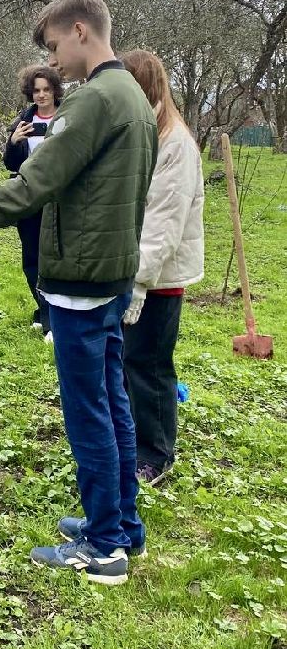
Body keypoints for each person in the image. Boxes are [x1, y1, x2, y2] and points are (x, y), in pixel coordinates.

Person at [0, 0, 158, 586]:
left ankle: (104, 549)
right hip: (114, 275)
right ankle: (122, 523)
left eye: (54, 48)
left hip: (80, 285)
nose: (54, 64)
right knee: (114, 402)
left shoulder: (93, 101)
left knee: (88, 412)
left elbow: (32, 186)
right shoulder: (135, 99)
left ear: (80, 31)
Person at [120, 50, 204, 486]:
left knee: (149, 365)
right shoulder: (144, 133)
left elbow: (163, 224)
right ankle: (135, 440)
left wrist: (138, 282)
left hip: (158, 278)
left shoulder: (175, 144)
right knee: (129, 361)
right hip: (134, 270)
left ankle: (156, 454)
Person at [3, 65, 64, 339]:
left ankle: (53, 319)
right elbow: (11, 165)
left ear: (55, 91)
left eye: (46, 90)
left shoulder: (67, 118)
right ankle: (44, 311)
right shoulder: (23, 122)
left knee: (56, 259)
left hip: (60, 200)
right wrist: (14, 142)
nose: (41, 95)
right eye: (36, 90)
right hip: (29, 200)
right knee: (32, 259)